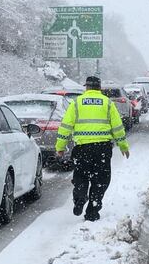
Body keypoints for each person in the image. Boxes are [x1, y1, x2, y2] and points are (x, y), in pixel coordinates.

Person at [55, 76, 130, 221]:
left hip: (82, 149)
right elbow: (117, 127)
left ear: (86, 87)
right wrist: (123, 146)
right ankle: (92, 211)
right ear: (99, 88)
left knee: (81, 177)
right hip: (102, 149)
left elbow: (66, 126)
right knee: (100, 180)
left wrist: (60, 147)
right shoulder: (107, 103)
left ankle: (80, 198)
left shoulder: (77, 103)